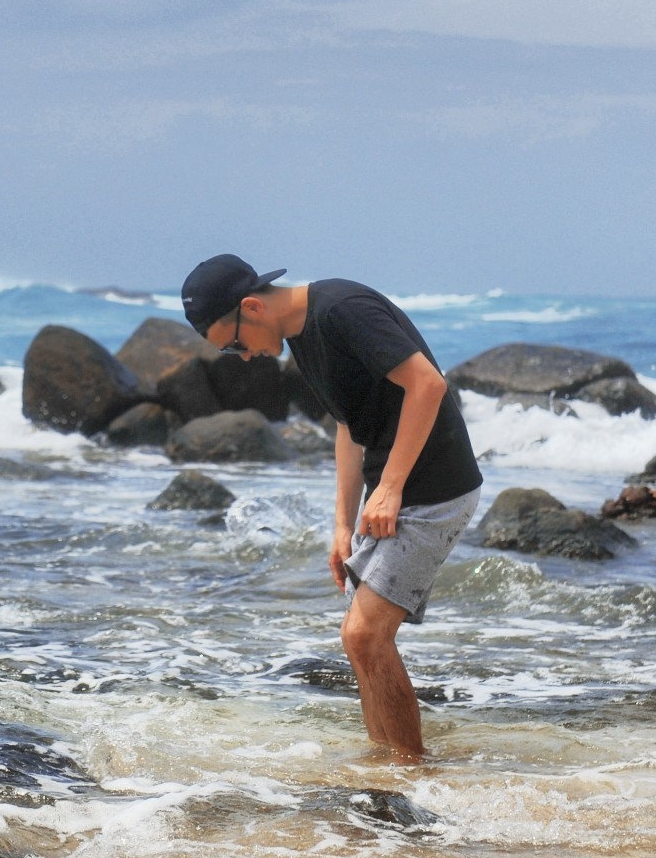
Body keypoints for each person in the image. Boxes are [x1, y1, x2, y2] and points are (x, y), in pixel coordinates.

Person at [182, 254, 482, 760]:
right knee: (360, 643)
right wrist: (342, 523)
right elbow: (348, 427)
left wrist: (389, 488)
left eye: (234, 344)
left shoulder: (343, 309)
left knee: (366, 635)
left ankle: (413, 770)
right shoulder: (302, 337)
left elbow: (428, 385)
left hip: (434, 486)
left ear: (251, 307)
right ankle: (384, 766)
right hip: (391, 489)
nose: (244, 357)